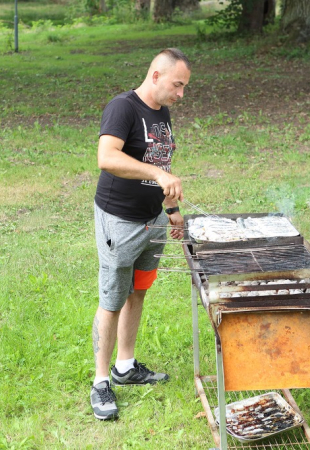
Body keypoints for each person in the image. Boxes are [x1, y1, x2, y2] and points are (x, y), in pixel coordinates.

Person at [90, 48, 191, 421]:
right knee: (113, 297)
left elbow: (159, 162)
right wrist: (161, 175)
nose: (180, 95)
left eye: (184, 88)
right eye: (177, 85)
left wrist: (172, 209)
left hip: (154, 220)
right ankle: (101, 382)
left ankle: (125, 366)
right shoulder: (123, 108)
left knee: (138, 291)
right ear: (155, 76)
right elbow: (107, 157)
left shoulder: (161, 113)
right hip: (120, 221)